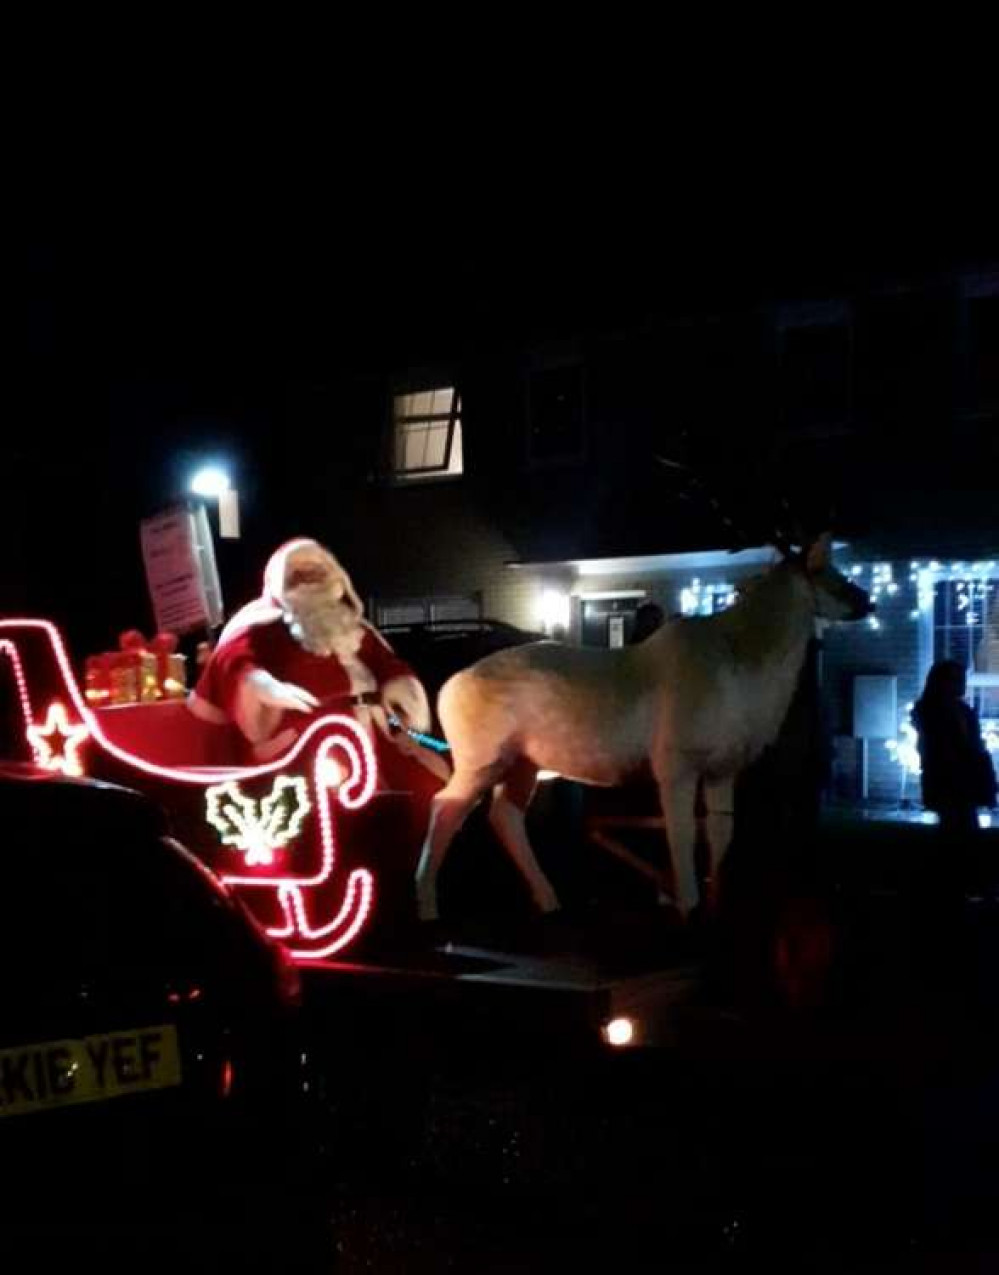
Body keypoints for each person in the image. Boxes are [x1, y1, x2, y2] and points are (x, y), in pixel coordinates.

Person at [190, 538, 449, 793]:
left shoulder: (352, 624)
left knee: (425, 788)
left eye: (315, 571)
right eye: (298, 574)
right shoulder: (260, 625)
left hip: (372, 729)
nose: (308, 578)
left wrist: (400, 685)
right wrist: (265, 687)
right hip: (308, 738)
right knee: (327, 808)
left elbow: (386, 663)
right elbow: (235, 662)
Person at [912, 659, 997, 844]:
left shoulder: (958, 710)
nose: (963, 684)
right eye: (957, 679)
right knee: (958, 830)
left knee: (958, 829)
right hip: (951, 780)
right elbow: (945, 748)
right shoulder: (936, 711)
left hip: (959, 780)